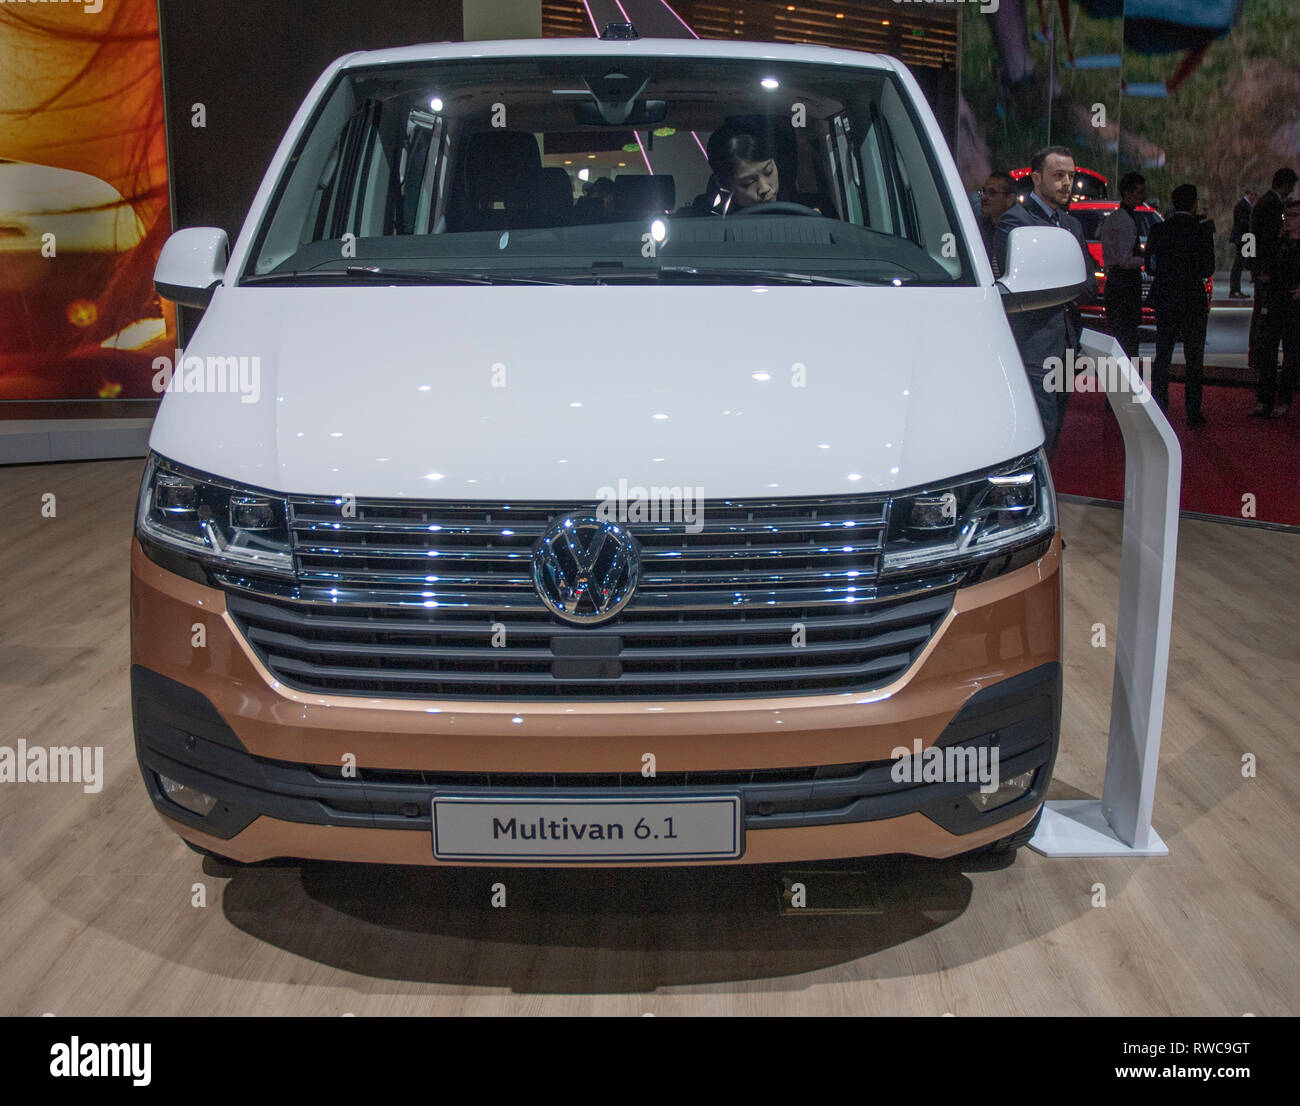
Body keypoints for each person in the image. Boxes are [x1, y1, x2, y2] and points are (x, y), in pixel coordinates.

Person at [993, 145, 1096, 458]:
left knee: (1056, 429)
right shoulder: (1015, 222)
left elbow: (1088, 283)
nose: (1067, 183)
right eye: (1058, 176)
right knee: (1040, 429)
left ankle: (1045, 497)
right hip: (1033, 343)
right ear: (1037, 178)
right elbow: (1021, 285)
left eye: (1070, 176)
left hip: (1066, 343)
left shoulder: (1071, 225)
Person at [1145, 183, 1215, 427]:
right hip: (1192, 300)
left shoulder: (1159, 230)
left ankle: (1160, 403)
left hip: (1166, 297)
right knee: (1194, 358)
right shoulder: (1201, 231)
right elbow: (1208, 268)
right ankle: (1193, 411)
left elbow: (1149, 266)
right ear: (1194, 204)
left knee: (1162, 354)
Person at [1246, 167, 1297, 395]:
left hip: (1264, 269)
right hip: (1271, 272)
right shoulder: (1273, 205)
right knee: (1266, 318)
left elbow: (1250, 236)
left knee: (1260, 315)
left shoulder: (1261, 203)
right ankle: (1259, 357)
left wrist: (1252, 265)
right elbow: (1263, 238)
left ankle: (1256, 356)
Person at [1250, 197, 1300, 419]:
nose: (1288, 221)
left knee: (1291, 355)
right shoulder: (1278, 243)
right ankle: (1265, 399)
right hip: (1274, 302)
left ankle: (1284, 400)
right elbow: (1265, 266)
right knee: (1267, 353)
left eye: (1293, 216)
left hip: (1294, 306)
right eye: (1286, 216)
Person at [1099, 171, 1147, 365]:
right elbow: (1125, 259)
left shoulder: (1116, 217)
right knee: (1127, 337)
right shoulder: (1126, 221)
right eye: (1139, 192)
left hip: (1116, 282)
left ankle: (1116, 389)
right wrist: (1144, 258)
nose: (1142, 197)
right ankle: (1125, 386)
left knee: (1118, 336)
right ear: (1128, 193)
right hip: (1125, 283)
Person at [706, 119, 780, 211]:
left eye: (769, 171)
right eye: (748, 182)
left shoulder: (799, 206)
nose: (765, 188)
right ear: (724, 184)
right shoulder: (707, 220)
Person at [976, 171, 1018, 277]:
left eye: (992, 193)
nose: (984, 197)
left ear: (1010, 199)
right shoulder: (981, 225)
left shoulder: (1017, 227)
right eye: (983, 192)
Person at [1229, 189, 1257, 298]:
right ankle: (1235, 289)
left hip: (1245, 237)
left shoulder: (1247, 205)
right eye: (1253, 194)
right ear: (1248, 194)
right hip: (1242, 238)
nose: (1254, 197)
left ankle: (1236, 289)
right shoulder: (1241, 205)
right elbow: (1240, 221)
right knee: (1238, 264)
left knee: (1240, 264)